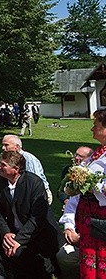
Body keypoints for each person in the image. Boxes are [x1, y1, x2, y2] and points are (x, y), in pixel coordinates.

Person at [0, 150, 58, 278]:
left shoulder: (34, 183)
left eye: (3, 165)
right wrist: (6, 233)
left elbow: (37, 218)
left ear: (15, 169)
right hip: (12, 233)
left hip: (36, 235)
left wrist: (18, 240)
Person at [75, 108, 106, 278]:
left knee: (102, 260)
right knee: (89, 259)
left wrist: (91, 185)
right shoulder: (98, 152)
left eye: (96, 124)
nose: (92, 128)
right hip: (89, 216)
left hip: (102, 217)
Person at [1, 134, 52, 204]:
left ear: (17, 147)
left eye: (6, 145)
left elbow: (36, 180)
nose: (3, 148)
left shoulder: (28, 159)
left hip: (38, 194)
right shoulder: (8, 159)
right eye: (3, 145)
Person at [57, 195, 80, 279]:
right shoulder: (82, 195)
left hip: (99, 242)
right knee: (63, 255)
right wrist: (69, 228)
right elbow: (71, 208)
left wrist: (82, 238)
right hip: (80, 243)